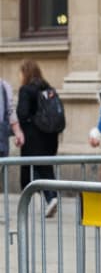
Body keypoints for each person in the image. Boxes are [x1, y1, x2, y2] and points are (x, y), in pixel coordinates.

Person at [16, 59, 60, 217]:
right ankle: (51, 197)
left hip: (32, 137)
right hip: (50, 136)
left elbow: (22, 113)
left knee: (29, 169)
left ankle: (41, 199)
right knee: (46, 167)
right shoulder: (49, 89)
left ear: (25, 73)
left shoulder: (26, 90)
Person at [1, 76, 25, 156]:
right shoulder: (4, 86)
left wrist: (18, 132)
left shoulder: (4, 86)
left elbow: (10, 112)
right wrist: (18, 132)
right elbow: (11, 112)